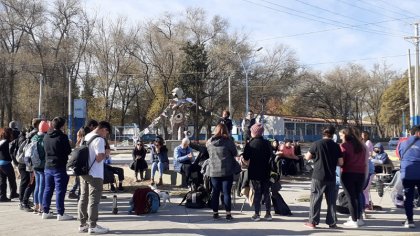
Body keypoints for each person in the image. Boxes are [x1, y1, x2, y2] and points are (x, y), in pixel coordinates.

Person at [304, 126, 343, 229]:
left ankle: (313, 221)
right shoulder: (336, 146)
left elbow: (307, 157)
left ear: (323, 133)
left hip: (318, 175)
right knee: (331, 201)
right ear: (333, 134)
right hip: (331, 176)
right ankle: (332, 222)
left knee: (315, 199)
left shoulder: (316, 144)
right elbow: (341, 162)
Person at [78, 121, 111, 234]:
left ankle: (83, 224)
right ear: (104, 129)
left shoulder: (86, 136)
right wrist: (106, 154)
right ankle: (93, 225)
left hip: (84, 172)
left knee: (83, 198)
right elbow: (98, 158)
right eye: (107, 133)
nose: (106, 136)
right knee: (93, 201)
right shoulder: (99, 139)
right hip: (95, 174)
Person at [42, 117, 73, 221]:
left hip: (47, 166)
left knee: (48, 189)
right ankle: (60, 213)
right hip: (59, 166)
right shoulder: (63, 137)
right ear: (62, 126)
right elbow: (68, 151)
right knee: (60, 190)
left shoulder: (46, 136)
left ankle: (45, 211)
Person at [206, 123, 238, 221]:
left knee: (215, 192)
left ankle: (215, 213)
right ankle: (228, 214)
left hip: (214, 170)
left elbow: (208, 152)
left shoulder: (210, 142)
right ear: (226, 131)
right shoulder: (228, 142)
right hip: (227, 170)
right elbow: (235, 153)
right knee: (227, 193)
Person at [243, 123, 273, 221]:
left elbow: (246, 158)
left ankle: (257, 214)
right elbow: (271, 156)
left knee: (257, 192)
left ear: (254, 132)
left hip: (254, 171)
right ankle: (268, 213)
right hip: (266, 170)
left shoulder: (250, 144)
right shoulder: (267, 143)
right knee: (266, 192)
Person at [339, 127, 368, 228]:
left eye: (341, 136)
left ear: (346, 135)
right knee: (357, 195)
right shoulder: (361, 146)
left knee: (351, 197)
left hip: (348, 172)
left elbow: (342, 161)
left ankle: (354, 219)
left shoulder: (344, 146)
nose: (340, 138)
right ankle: (358, 218)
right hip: (360, 173)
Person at [397, 125, 420, 228]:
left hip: (407, 174)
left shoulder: (402, 143)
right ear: (418, 133)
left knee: (408, 197)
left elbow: (399, 156)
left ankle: (410, 221)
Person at [17, 118, 42, 210]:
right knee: (29, 183)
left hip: (25, 161)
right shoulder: (35, 135)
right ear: (37, 125)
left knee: (29, 183)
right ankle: (24, 202)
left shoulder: (29, 134)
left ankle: (24, 201)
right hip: (28, 162)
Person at [32, 121, 49, 214]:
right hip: (42, 165)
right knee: (42, 186)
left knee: (37, 186)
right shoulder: (44, 139)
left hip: (35, 164)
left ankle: (36, 205)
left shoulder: (34, 137)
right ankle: (41, 207)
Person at [0, 128, 18, 202]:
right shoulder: (7, 142)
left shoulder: (1, 141)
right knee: (12, 179)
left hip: (0, 163)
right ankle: (13, 193)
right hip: (6, 163)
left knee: (2, 180)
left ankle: (2, 196)